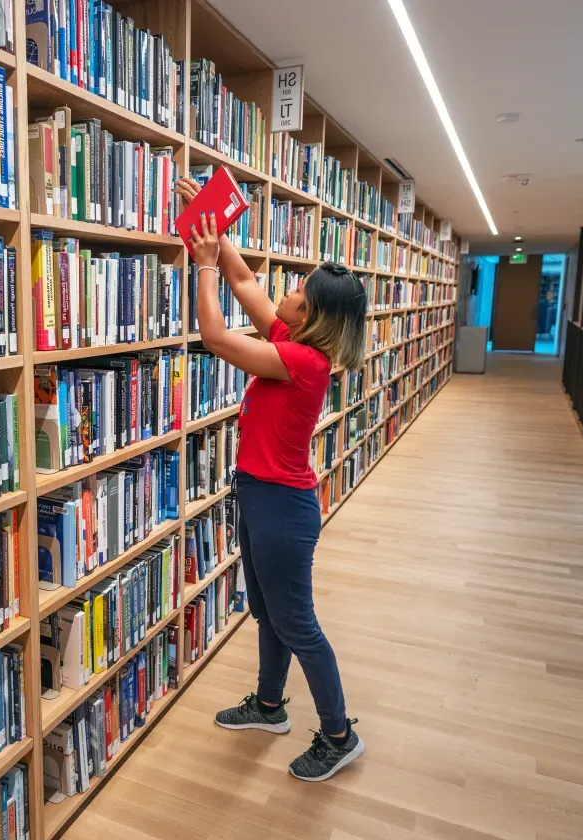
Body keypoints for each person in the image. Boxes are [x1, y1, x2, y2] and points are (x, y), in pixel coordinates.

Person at [175, 177, 367, 783]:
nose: (283, 290)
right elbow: (243, 282)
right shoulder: (294, 340)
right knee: (267, 609)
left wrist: (202, 265)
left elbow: (214, 336)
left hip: (283, 508)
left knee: (297, 621)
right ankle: (268, 705)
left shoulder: (303, 364)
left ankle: (339, 734)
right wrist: (211, 226)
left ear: (311, 316)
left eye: (297, 291)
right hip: (259, 495)